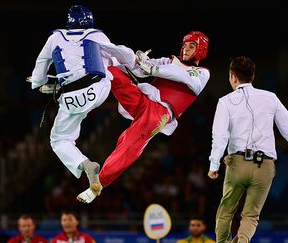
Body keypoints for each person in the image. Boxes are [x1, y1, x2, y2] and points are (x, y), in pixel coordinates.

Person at [77, 31, 211, 203]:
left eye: (191, 46)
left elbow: (181, 76)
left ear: (201, 50)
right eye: (184, 45)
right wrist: (136, 59)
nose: (186, 49)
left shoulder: (201, 73)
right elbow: (140, 71)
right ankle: (76, 80)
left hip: (159, 113)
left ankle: (98, 185)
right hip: (142, 100)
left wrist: (154, 69)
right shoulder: (169, 60)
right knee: (111, 71)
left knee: (129, 143)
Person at [207, 56, 288, 243]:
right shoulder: (270, 98)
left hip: (238, 164)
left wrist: (214, 164)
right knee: (251, 215)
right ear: (253, 76)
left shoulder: (225, 101)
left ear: (233, 76)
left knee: (226, 210)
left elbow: (220, 136)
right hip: (264, 166)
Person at [27, 4, 134, 195]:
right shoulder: (95, 34)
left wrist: (37, 82)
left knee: (59, 140)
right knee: (110, 59)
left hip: (71, 98)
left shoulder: (54, 38)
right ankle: (133, 86)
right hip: (99, 89)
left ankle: (85, 164)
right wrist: (133, 61)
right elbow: (120, 53)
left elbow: (41, 63)